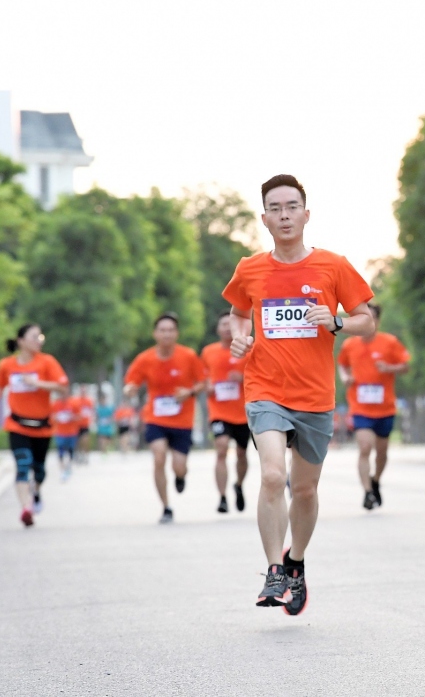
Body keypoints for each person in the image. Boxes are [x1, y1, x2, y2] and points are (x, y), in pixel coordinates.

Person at [223, 174, 375, 616]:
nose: (284, 214)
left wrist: (337, 321)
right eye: (276, 208)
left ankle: (295, 562)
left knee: (304, 490)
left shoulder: (333, 266)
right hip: (265, 389)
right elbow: (236, 313)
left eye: (292, 206)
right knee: (273, 476)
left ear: (306, 215)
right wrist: (240, 336)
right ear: (265, 218)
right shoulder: (249, 268)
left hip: (314, 396)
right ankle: (273, 569)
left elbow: (365, 318)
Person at [124, 313, 208, 524]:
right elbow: (131, 384)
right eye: (162, 330)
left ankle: (180, 476)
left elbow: (202, 383)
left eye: (171, 330)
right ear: (155, 333)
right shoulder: (145, 359)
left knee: (179, 466)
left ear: (177, 333)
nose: (166, 334)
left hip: (182, 420)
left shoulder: (188, 356)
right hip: (155, 417)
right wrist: (130, 389)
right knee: (159, 457)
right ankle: (166, 507)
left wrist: (188, 392)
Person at [0, 324, 69, 527]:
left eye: (41, 337)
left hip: (42, 426)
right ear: (21, 341)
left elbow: (62, 387)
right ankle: (26, 508)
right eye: (34, 337)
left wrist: (37, 383)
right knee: (23, 465)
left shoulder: (47, 362)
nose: (39, 340)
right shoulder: (7, 365)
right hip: (17, 424)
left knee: (40, 470)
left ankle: (36, 491)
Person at [337, 304, 410, 510]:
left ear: (377, 321)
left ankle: (376, 480)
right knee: (365, 447)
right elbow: (342, 364)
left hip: (385, 407)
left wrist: (389, 368)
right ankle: (368, 492)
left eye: (373, 318)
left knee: (382, 452)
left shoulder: (390, 342)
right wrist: (345, 377)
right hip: (360, 408)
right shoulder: (350, 345)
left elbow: (405, 365)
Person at [201, 311, 251, 513]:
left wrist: (242, 378)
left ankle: (238, 485)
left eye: (230, 325)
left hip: (243, 411)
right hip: (219, 410)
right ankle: (222, 497)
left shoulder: (248, 350)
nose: (226, 328)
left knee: (241, 453)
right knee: (221, 448)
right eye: (223, 324)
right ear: (218, 329)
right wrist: (208, 386)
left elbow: (261, 374)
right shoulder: (208, 352)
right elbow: (202, 376)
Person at [51, 393, 81, 482]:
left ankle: (68, 466)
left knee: (70, 450)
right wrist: (56, 417)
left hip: (71, 432)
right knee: (60, 451)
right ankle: (62, 470)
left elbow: (79, 416)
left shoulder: (73, 403)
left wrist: (72, 417)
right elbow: (51, 416)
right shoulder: (55, 404)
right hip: (60, 432)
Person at [73, 385, 95, 464]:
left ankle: (86, 456)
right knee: (77, 442)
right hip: (77, 425)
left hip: (85, 424)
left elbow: (91, 411)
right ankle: (79, 455)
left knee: (85, 441)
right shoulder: (76, 401)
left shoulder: (89, 401)